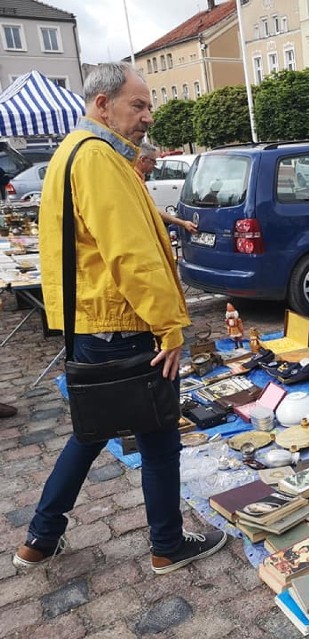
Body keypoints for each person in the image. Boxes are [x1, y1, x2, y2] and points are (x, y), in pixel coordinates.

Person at [13, 62, 227, 573]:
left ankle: (39, 540)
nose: (148, 116)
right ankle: (168, 546)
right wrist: (170, 326)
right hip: (125, 323)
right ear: (102, 104)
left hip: (91, 320)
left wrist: (163, 217)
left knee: (90, 432)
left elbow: (100, 230)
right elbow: (130, 255)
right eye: (139, 104)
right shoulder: (100, 160)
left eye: (149, 105)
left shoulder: (73, 152)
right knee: (158, 439)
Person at [134, 142, 198, 234]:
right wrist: (183, 223)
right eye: (154, 161)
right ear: (143, 159)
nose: (155, 166)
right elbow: (155, 212)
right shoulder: (135, 179)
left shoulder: (139, 178)